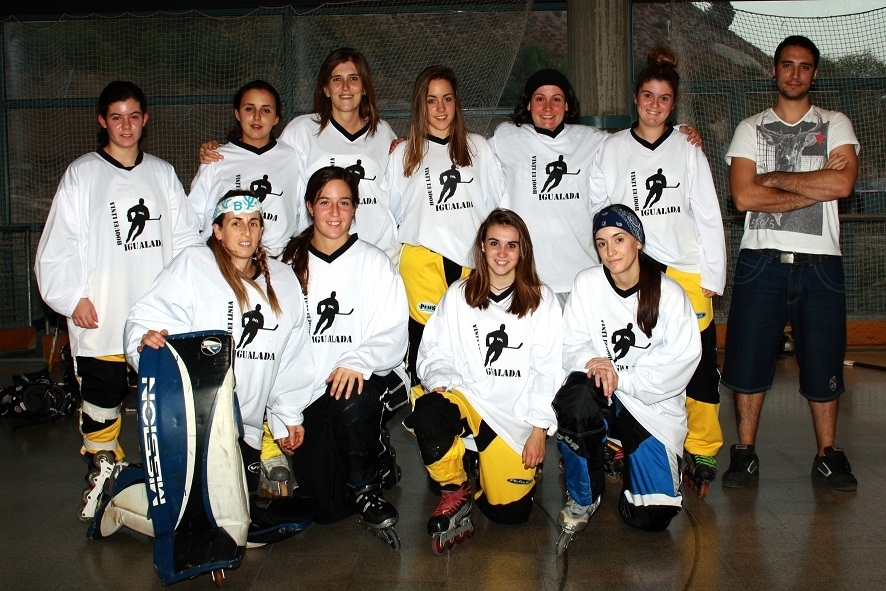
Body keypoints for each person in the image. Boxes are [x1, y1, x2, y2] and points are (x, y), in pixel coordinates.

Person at [34, 81, 202, 487]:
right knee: (102, 398)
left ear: (145, 120)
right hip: (103, 314)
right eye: (116, 117)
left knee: (164, 402)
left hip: (157, 318)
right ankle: (103, 476)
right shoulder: (82, 174)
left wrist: (188, 298)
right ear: (102, 121)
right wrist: (73, 298)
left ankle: (168, 484)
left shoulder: (162, 173)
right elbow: (59, 243)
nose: (126, 126)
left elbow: (187, 241)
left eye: (133, 117)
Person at [125, 190, 316, 543]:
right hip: (197, 422)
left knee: (234, 522)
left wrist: (288, 413)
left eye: (254, 223)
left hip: (247, 424)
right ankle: (123, 499)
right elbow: (147, 317)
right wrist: (144, 341)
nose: (246, 232)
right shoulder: (194, 265)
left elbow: (293, 352)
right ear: (217, 230)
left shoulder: (283, 279)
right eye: (236, 223)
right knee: (192, 518)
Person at [721, 35, 859, 491]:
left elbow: (842, 186)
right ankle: (744, 452)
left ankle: (827, 454)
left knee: (823, 359)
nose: (795, 73)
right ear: (774, 70)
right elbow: (744, 196)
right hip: (761, 262)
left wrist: (775, 178)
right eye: (787, 65)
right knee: (748, 359)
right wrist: (814, 185)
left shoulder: (836, 124)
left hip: (821, 263)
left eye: (803, 66)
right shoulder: (750, 128)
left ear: (814, 74)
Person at [588, 47, 726, 496]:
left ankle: (701, 447)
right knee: (632, 355)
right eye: (648, 95)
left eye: (664, 98)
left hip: (685, 269)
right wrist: (608, 262)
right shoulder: (611, 148)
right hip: (633, 269)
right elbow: (598, 210)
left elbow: (707, 212)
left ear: (673, 103)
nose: (654, 105)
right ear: (635, 97)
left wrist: (713, 275)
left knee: (698, 362)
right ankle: (620, 436)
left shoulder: (687, 147)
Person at [406, 209, 563, 553]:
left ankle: (483, 468)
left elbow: (549, 370)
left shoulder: (542, 300)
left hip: (514, 419)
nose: (502, 253)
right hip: (470, 402)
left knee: (509, 515)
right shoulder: (459, 294)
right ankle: (455, 488)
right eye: (494, 243)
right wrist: (440, 382)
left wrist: (539, 430)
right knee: (430, 410)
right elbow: (435, 351)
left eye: (511, 245)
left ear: (523, 250)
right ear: (482, 246)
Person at [489, 69, 700, 303]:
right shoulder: (507, 137)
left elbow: (638, 140)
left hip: (580, 275)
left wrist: (677, 133)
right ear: (528, 104)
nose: (548, 107)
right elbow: (472, 154)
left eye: (556, 99)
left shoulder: (592, 139)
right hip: (528, 277)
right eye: (540, 99)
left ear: (567, 105)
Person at [279, 166, 408, 549]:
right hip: (315, 389)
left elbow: (394, 334)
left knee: (349, 396)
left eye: (344, 203)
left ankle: (367, 487)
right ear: (309, 207)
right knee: (327, 509)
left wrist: (358, 360)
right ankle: (377, 457)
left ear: (354, 208)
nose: (334, 212)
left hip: (374, 378)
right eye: (325, 202)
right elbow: (281, 345)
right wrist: (285, 411)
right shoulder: (289, 265)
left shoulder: (374, 261)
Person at [555, 205, 701, 540]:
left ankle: (622, 456)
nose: (610, 250)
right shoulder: (587, 283)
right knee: (575, 400)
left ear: (638, 242)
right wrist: (595, 361)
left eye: (618, 239)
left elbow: (681, 361)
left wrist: (624, 378)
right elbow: (571, 342)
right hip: (603, 393)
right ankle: (584, 495)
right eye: (602, 243)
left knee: (652, 518)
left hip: (650, 406)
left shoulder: (669, 294)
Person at [200, 49, 400, 260]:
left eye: (353, 78)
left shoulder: (384, 132)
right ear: (325, 89)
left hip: (380, 252)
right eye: (336, 79)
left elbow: (399, 186)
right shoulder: (301, 130)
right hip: (319, 257)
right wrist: (223, 151)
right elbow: (264, 158)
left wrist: (406, 145)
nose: (345, 87)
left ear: (365, 87)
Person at [385, 65, 507, 391]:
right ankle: (424, 405)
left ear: (457, 102)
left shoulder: (478, 147)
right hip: (422, 264)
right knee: (424, 341)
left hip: (472, 263)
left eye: (447, 99)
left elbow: (497, 203)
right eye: (431, 100)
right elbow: (392, 211)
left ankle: (468, 407)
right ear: (420, 105)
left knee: (470, 341)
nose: (440, 108)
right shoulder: (404, 153)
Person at [189, 80, 300, 257]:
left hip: (276, 260)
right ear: (237, 114)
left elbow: (302, 213)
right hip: (226, 261)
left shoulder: (293, 157)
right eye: (249, 109)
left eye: (266, 110)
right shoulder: (217, 157)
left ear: (276, 118)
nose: (257, 117)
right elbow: (193, 217)